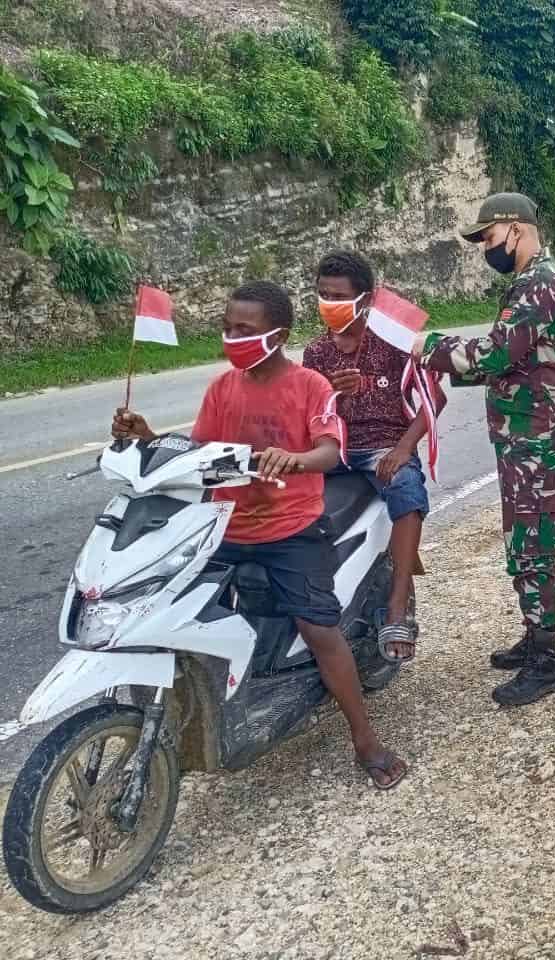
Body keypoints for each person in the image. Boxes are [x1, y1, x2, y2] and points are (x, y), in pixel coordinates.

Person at [112, 281, 408, 789]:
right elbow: (199, 452)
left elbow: (328, 451)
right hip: (226, 527)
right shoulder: (223, 388)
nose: (232, 337)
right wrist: (149, 438)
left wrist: (295, 460)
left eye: (244, 330)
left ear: (280, 334)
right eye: (228, 328)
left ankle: (366, 741)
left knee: (320, 631)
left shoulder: (309, 385)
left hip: (290, 529)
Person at [420, 192, 555, 707]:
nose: (486, 248)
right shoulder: (529, 283)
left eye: (488, 238)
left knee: (532, 541)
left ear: (515, 229)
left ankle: (548, 661)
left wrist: (427, 347)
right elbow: (511, 364)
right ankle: (535, 636)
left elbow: (492, 356)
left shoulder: (538, 285)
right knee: (523, 536)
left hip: (536, 436)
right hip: (523, 433)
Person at [303, 250, 434, 664]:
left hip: (382, 445)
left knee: (407, 489)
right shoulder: (317, 353)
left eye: (338, 295)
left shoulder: (394, 343)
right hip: (334, 448)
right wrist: (330, 391)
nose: (329, 303)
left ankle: (397, 606)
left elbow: (433, 399)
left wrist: (402, 449)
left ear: (363, 299)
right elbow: (308, 411)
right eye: (323, 294)